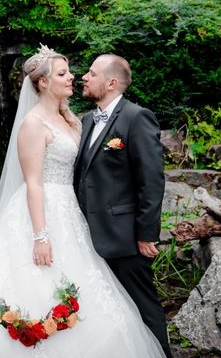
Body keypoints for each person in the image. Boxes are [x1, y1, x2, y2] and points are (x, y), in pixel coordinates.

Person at [0, 45, 165, 358]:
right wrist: (40, 237)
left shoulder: (75, 120)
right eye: (63, 73)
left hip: (76, 218)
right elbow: (33, 182)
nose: (75, 77)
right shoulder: (34, 124)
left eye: (75, 72)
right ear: (43, 83)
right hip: (42, 214)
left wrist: (144, 230)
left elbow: (133, 176)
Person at [73, 54, 172, 358]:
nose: (84, 78)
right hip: (86, 237)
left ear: (111, 82)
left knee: (144, 307)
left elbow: (151, 180)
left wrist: (146, 233)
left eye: (91, 73)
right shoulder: (87, 120)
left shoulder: (136, 117)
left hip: (125, 237)